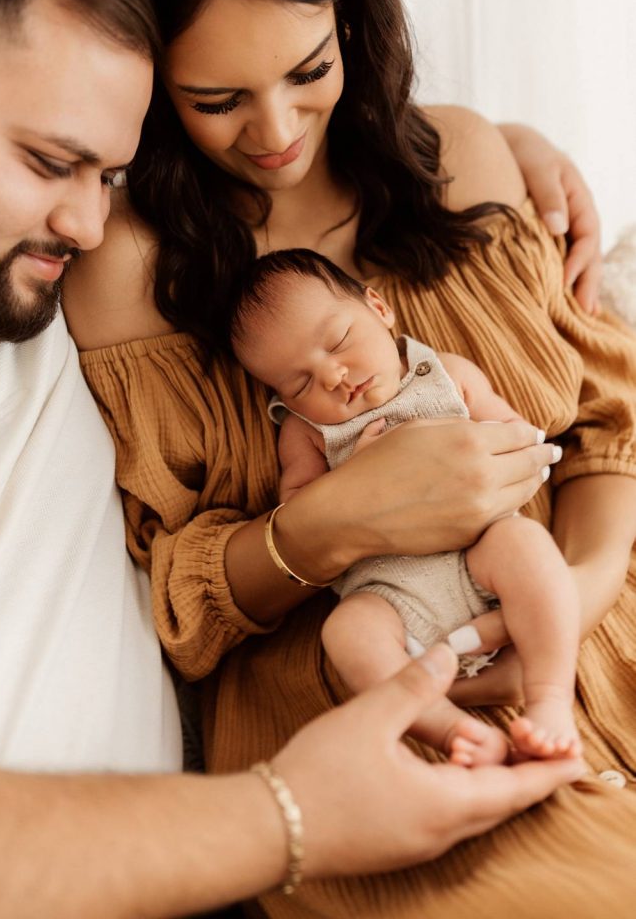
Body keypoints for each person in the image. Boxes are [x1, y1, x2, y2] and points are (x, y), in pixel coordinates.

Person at [0, 0, 594, 915]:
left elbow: (600, 427)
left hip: (581, 624)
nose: (279, 130)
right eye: (217, 97)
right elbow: (182, 606)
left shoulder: (463, 160)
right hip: (366, 690)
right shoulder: (128, 264)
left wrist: (580, 590)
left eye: (308, 70)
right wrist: (347, 517)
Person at [230, 248, 582, 765]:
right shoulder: (305, 431)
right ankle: (453, 731)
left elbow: (516, 441)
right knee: (346, 632)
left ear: (378, 308)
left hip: (479, 557)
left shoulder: (446, 373)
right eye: (300, 382)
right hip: (390, 594)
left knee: (527, 543)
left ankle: (550, 699)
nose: (331, 376)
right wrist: (358, 480)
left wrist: (457, 447)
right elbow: (299, 509)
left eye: (338, 341)